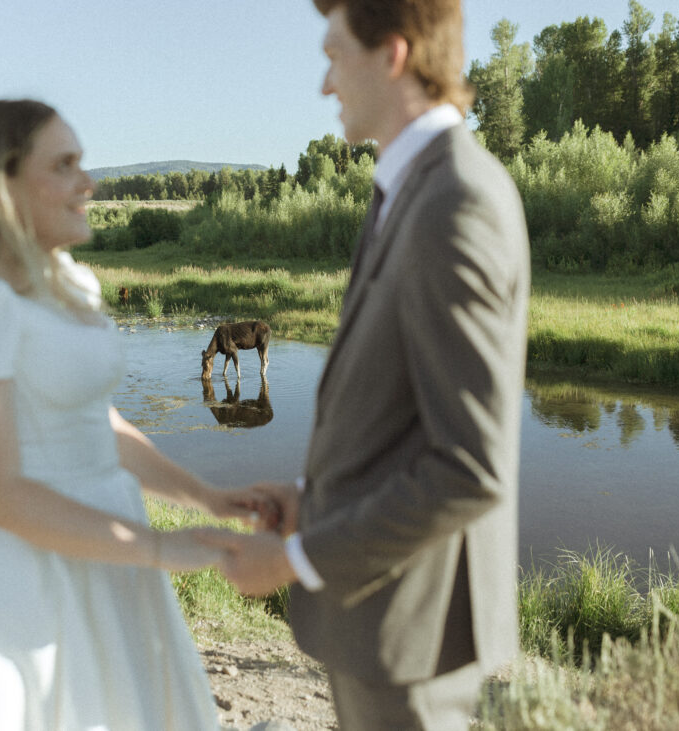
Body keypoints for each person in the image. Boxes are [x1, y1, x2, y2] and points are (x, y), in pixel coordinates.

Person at [0, 99, 268, 730]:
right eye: (66, 164)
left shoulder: (69, 286)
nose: (90, 183)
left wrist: (208, 498)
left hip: (109, 543)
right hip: (15, 570)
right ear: (4, 183)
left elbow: (95, 423)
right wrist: (161, 547)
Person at [201, 1, 531, 728]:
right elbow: (398, 412)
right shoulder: (408, 189)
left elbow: (472, 466)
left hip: (418, 634)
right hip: (382, 626)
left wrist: (296, 558)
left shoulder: (456, 203)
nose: (325, 84)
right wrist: (310, 497)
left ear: (394, 54)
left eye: (334, 54)